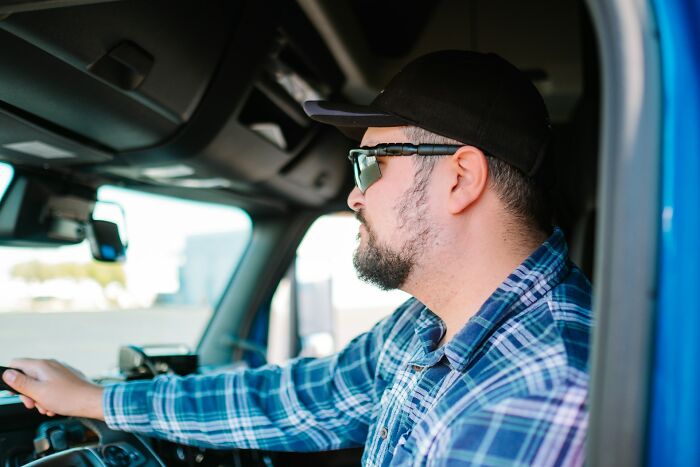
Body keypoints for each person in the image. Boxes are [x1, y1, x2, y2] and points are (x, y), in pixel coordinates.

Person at [2, 51, 592, 466]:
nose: (354, 195)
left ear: (461, 178)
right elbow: (303, 399)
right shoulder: (428, 325)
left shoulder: (537, 394)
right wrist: (96, 400)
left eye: (371, 165)